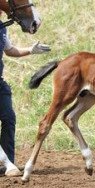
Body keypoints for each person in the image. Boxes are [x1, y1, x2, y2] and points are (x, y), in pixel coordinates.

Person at [0, 10, 51, 176]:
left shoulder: (1, 29)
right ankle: (6, 163)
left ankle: (8, 162)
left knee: (9, 118)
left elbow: (10, 50)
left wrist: (30, 50)